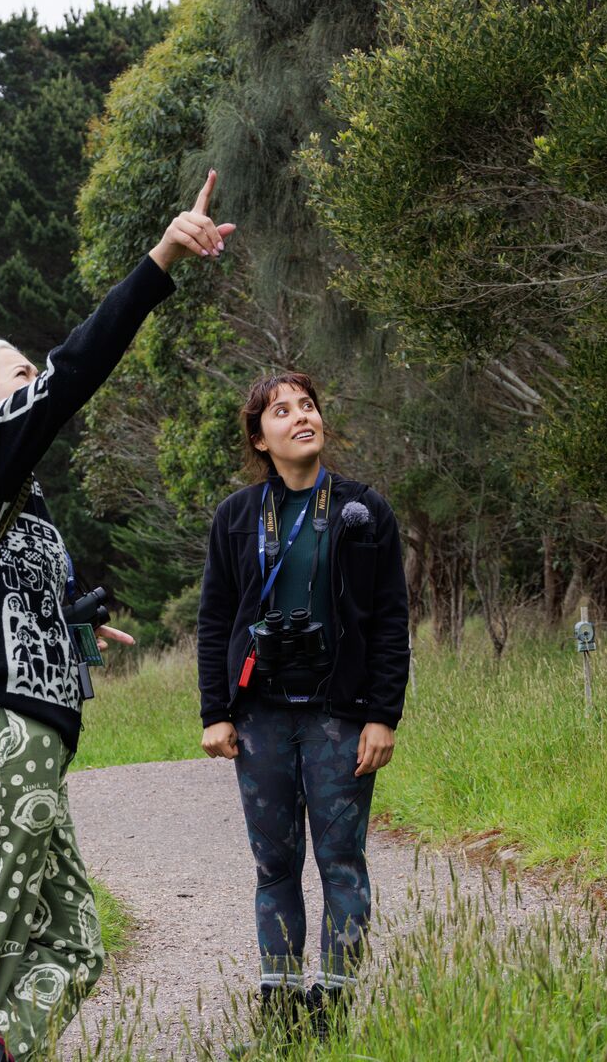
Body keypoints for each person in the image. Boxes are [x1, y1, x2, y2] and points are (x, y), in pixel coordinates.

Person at [0, 174, 233, 1062]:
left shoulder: (6, 495)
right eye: (21, 376)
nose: (37, 384)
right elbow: (79, 367)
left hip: (26, 734)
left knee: (73, 940)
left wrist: (73, 622)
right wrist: (162, 257)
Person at [195, 371, 409, 1040]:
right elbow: (215, 619)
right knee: (274, 866)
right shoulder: (236, 516)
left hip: (339, 715)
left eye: (307, 406)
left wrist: (383, 714)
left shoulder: (363, 511)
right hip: (259, 717)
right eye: (281, 411)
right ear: (260, 438)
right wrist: (215, 712)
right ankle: (282, 1013)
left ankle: (335, 1011)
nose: (299, 417)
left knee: (342, 862)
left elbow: (389, 621)